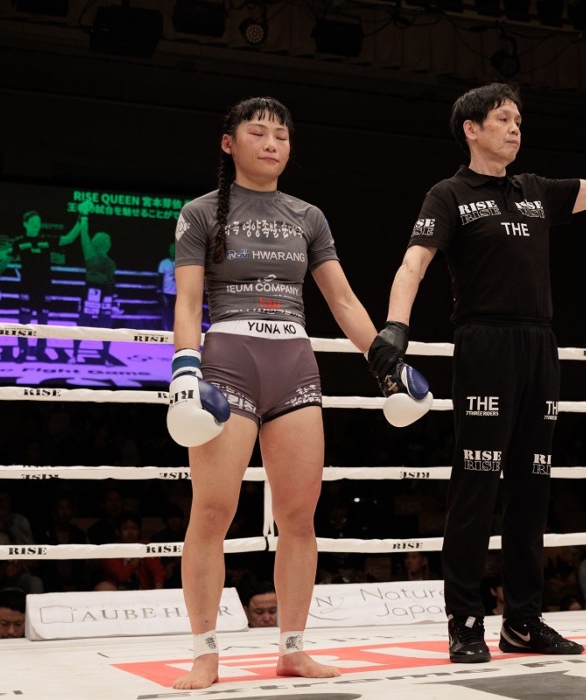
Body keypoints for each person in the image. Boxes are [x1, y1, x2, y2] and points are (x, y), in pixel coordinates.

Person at [368, 81, 586, 663]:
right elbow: (413, 263)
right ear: (471, 129)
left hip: (539, 343)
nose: (515, 128)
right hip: (484, 344)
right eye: (503, 118)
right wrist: (395, 328)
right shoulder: (449, 194)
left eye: (518, 120)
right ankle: (465, 621)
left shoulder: (534, 190)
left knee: (532, 486)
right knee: (476, 485)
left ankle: (523, 621)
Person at [168, 96, 381, 689]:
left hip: (294, 363)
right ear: (229, 143)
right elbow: (188, 301)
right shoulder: (200, 212)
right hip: (228, 363)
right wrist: (184, 368)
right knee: (212, 512)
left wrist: (384, 360)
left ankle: (292, 648)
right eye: (258, 132)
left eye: (281, 136)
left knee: (299, 518)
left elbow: (342, 300)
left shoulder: (308, 216)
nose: (271, 143)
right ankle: (205, 653)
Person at [0, 200, 92, 361]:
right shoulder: (19, 243)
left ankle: (41, 351)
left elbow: (69, 238)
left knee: (43, 321)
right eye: (33, 222)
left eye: (38, 222)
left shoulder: (46, 240)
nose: (37, 224)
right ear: (25, 224)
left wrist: (81, 216)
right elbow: (6, 260)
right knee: (24, 321)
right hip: (26, 288)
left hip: (45, 287)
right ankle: (23, 351)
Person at [71, 225, 119, 365]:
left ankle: (105, 356)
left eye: (107, 241)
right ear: (97, 243)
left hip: (105, 293)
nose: (106, 243)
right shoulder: (91, 255)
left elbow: (111, 281)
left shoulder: (110, 262)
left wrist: (114, 299)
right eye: (103, 241)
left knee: (105, 324)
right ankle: (75, 354)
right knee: (84, 322)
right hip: (92, 292)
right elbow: (84, 238)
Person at [99, 511, 165, 591]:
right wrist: (138, 557)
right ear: (117, 532)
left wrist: (158, 590)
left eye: (134, 528)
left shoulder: (145, 547)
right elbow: (122, 576)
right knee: (103, 587)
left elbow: (158, 570)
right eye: (126, 529)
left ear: (139, 531)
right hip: (117, 592)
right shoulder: (110, 550)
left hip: (142, 592)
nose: (130, 532)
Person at [158, 242, 177, 331]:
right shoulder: (164, 262)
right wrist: (161, 293)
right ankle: (166, 332)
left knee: (178, 314)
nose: (173, 251)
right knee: (166, 314)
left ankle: (176, 332)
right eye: (171, 249)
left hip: (179, 294)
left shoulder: (182, 263)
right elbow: (160, 278)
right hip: (166, 293)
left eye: (174, 249)